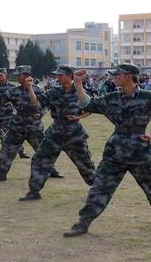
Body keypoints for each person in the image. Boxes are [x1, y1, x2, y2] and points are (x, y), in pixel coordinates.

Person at [63, 64, 151, 237]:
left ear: (129, 76)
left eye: (118, 75)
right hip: (115, 151)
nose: (114, 77)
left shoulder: (149, 97)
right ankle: (83, 223)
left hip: (140, 150)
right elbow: (86, 103)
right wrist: (79, 83)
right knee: (100, 187)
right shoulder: (111, 98)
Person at [19, 66, 96, 201]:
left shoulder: (80, 90)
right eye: (57, 75)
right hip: (55, 133)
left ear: (69, 75)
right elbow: (36, 103)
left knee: (85, 165)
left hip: (74, 134)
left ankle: (98, 190)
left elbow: (92, 107)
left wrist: (80, 117)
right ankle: (34, 191)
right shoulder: (53, 92)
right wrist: (30, 87)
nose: (57, 78)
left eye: (60, 75)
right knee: (40, 159)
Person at [0, 66, 62, 181]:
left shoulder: (37, 90)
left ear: (26, 75)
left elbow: (45, 105)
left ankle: (52, 170)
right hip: (17, 126)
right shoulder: (14, 91)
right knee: (7, 149)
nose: (17, 77)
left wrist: (41, 113)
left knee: (43, 150)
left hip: (34, 127)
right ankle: (1, 174)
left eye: (19, 75)